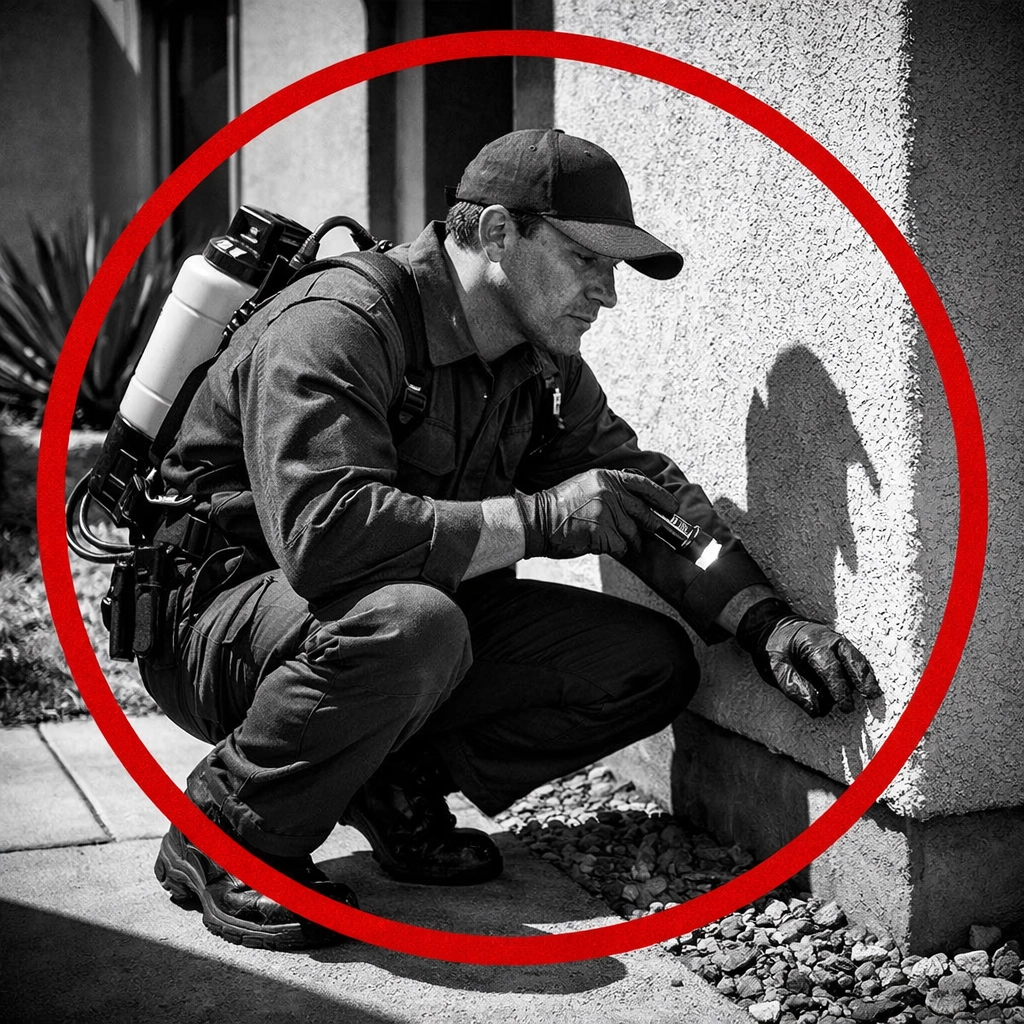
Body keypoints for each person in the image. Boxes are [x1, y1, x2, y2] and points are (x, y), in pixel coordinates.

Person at [140, 128, 880, 951]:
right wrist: (541, 520)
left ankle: (387, 782)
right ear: (497, 233)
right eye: (587, 261)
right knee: (415, 624)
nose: (607, 293)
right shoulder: (339, 324)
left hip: (375, 623)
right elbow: (327, 539)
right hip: (219, 623)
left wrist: (764, 621)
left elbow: (643, 498)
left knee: (648, 665)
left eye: (615, 270)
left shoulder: (539, 362)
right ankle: (226, 827)